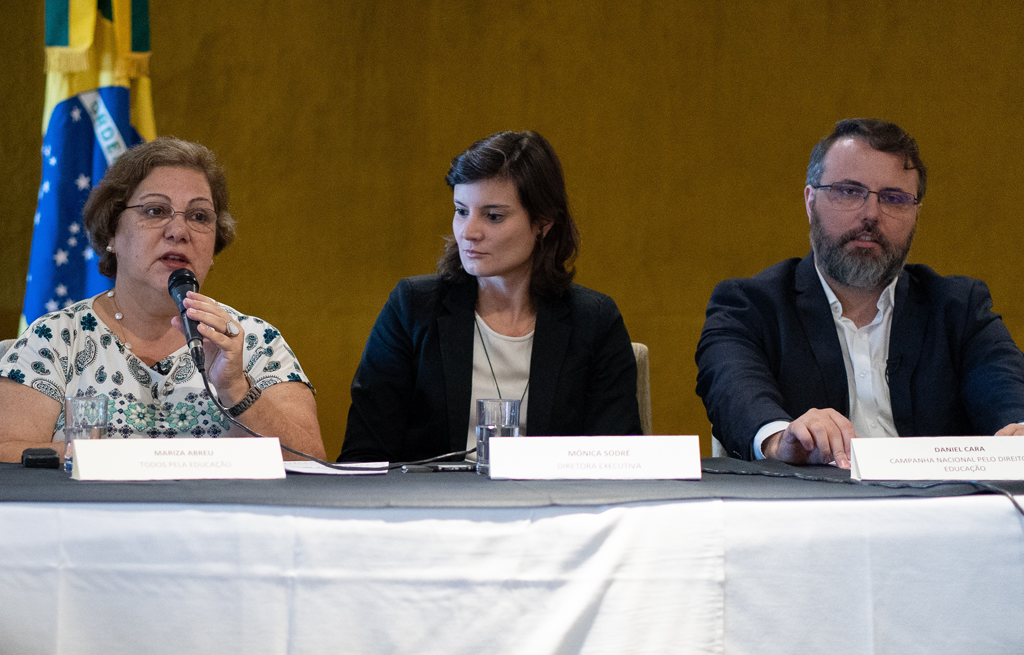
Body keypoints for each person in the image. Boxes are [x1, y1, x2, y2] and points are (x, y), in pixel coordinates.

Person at [696, 118, 1024, 467]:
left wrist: (1018, 427)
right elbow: (734, 389)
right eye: (849, 191)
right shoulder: (750, 305)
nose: (871, 214)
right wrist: (781, 439)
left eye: (894, 198)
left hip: (939, 511)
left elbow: (1003, 386)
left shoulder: (958, 308)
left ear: (915, 214)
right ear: (811, 202)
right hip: (810, 512)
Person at [0, 136, 326, 462]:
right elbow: (6, 454)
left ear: (214, 246)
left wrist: (236, 388)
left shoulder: (254, 342)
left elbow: (312, 460)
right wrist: (112, 457)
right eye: (156, 211)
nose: (179, 230)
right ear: (112, 231)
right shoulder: (58, 339)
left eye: (199, 216)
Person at [340, 130, 641, 463]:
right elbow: (363, 455)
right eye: (461, 211)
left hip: (553, 507)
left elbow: (618, 459)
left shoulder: (594, 320)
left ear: (543, 223)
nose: (469, 232)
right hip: (432, 509)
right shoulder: (412, 307)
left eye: (493, 216)